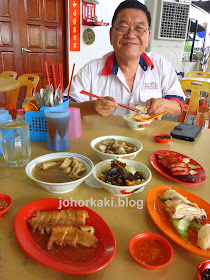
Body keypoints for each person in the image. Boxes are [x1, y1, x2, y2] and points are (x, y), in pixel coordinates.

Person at [65, 0, 185, 117]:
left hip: (148, 137)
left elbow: (178, 104)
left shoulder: (160, 65)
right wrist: (91, 107)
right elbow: (64, 107)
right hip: (104, 137)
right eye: (123, 27)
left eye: (139, 28)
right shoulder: (91, 71)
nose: (131, 35)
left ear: (148, 37)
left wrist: (163, 105)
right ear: (111, 35)